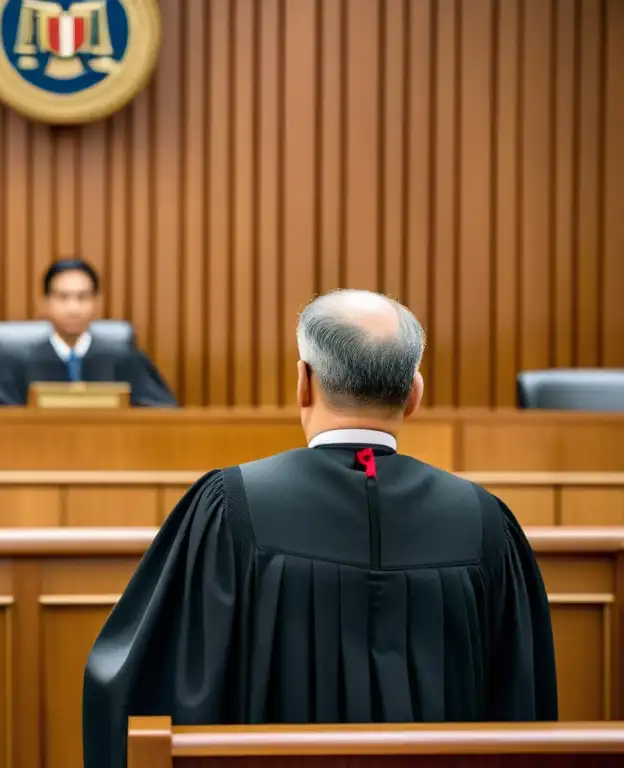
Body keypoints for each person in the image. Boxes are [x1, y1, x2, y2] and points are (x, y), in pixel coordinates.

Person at [81, 289, 558, 767]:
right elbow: (524, 709)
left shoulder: (230, 506)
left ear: (302, 383)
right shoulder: (486, 522)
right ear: (414, 394)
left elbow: (144, 685)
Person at [0, 259, 177, 407]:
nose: (73, 308)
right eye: (63, 297)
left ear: (96, 302)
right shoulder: (9, 361)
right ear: (45, 302)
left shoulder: (126, 360)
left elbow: (162, 415)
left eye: (82, 297)